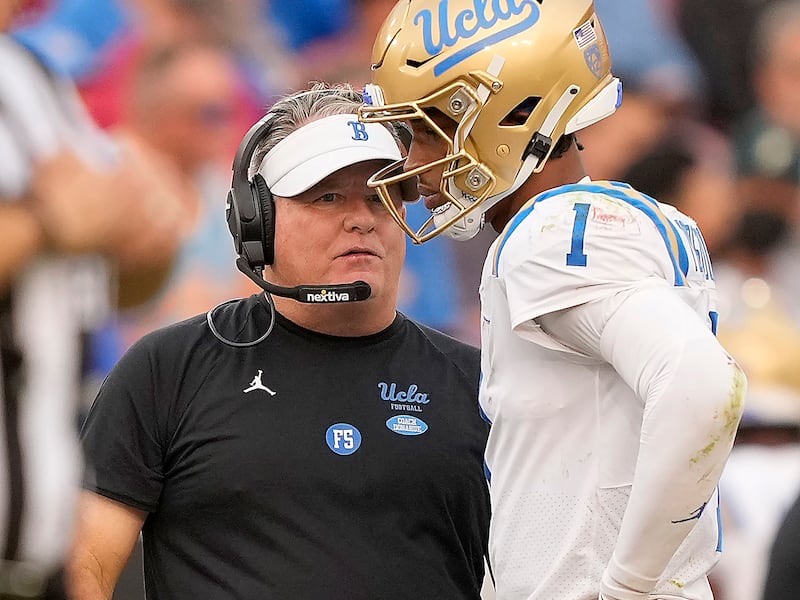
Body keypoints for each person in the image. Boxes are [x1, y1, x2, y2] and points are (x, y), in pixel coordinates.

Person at [359, 2, 747, 599]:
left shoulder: (547, 234)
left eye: (430, 128)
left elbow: (702, 385)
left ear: (509, 113)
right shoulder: (603, 219)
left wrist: (630, 586)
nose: (413, 163)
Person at [67, 83, 490, 600]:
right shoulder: (169, 369)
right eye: (327, 195)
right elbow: (84, 562)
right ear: (257, 224)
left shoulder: (483, 384)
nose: (360, 217)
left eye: (380, 195)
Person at [0, 2, 184, 598]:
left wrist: (145, 239)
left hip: (38, 549)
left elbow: (111, 274)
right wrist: (44, 224)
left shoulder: (34, 72)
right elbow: (60, 222)